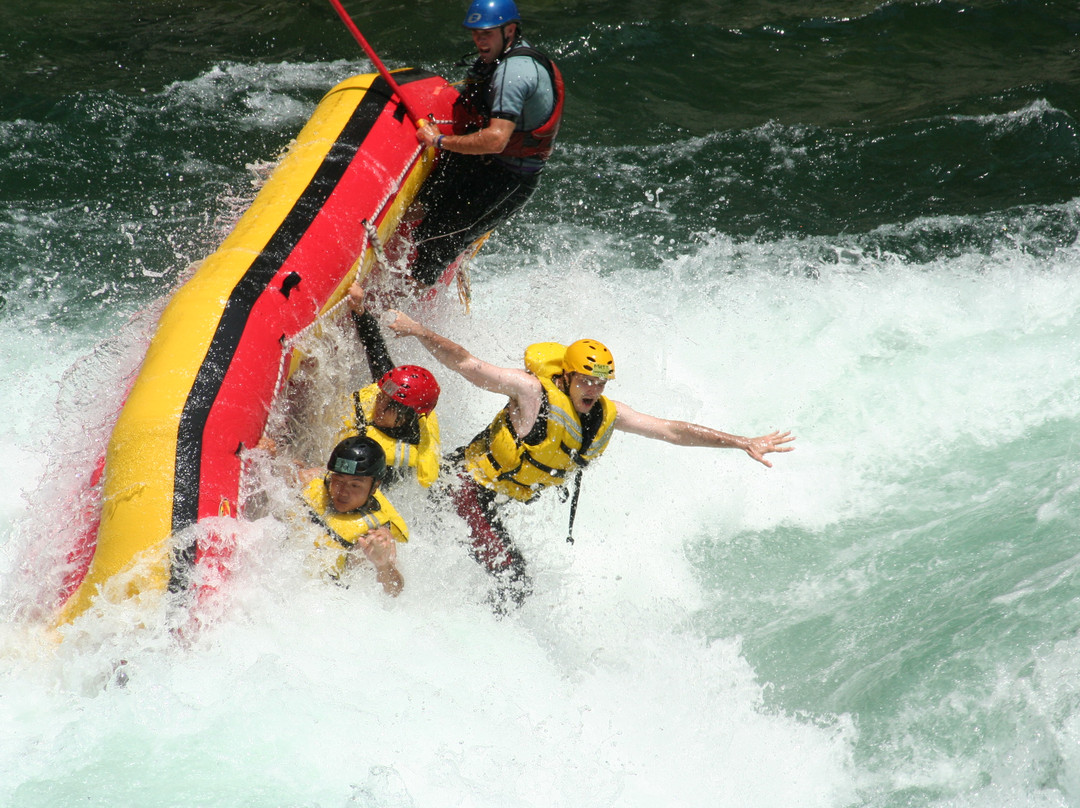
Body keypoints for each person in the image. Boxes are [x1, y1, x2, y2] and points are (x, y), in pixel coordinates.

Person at [384, 312, 797, 613]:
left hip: (487, 499)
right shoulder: (532, 394)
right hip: (462, 489)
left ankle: (438, 609)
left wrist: (741, 441)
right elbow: (468, 364)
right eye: (585, 380)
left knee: (485, 568)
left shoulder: (606, 414)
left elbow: (672, 431)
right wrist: (419, 330)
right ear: (565, 377)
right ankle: (465, 637)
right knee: (513, 579)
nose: (593, 389)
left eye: (600, 382)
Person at [409, 0, 564, 287]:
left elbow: (495, 139)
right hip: (479, 159)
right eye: (476, 33)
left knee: (436, 241)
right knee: (420, 207)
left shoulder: (514, 73)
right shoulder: (496, 59)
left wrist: (438, 140)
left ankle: (404, 311)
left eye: (487, 33)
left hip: (510, 176)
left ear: (510, 31)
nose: (480, 40)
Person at [342, 283, 442, 489]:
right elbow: (374, 343)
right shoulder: (394, 391)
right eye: (381, 396)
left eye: (388, 406)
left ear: (406, 418)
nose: (379, 403)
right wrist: (359, 309)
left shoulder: (400, 458)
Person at [298, 435, 408, 597]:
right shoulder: (315, 482)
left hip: (327, 599)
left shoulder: (376, 534)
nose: (342, 492)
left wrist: (382, 564)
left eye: (355, 485)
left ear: (374, 486)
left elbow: (394, 590)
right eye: (338, 480)